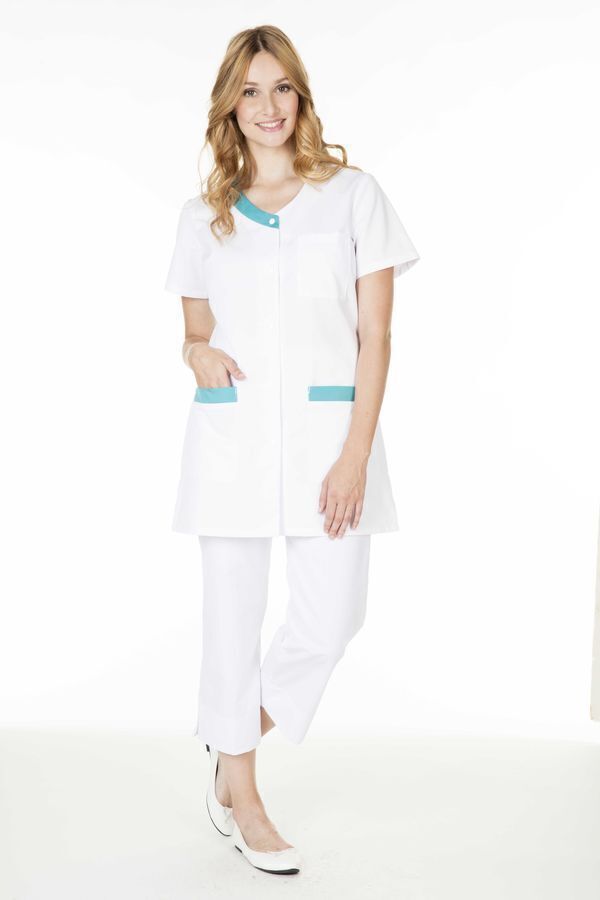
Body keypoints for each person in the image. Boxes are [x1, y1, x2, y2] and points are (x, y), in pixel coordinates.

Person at [164, 25, 420, 875]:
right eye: (249, 91)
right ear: (229, 107)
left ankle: (227, 745)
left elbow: (376, 338)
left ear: (301, 96)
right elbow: (195, 329)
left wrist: (354, 455)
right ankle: (244, 794)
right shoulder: (203, 217)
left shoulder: (353, 197)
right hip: (231, 440)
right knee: (231, 625)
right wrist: (197, 354)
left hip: (329, 441)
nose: (267, 106)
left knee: (330, 618)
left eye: (280, 88)